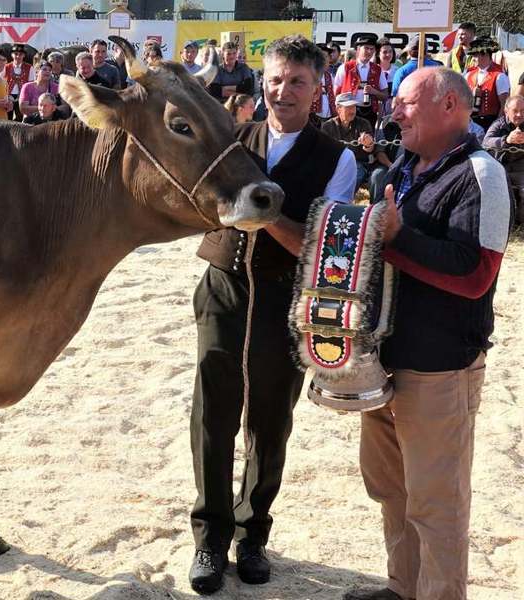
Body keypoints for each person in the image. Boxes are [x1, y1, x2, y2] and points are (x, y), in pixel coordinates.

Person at [189, 34, 357, 595]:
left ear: (317, 88)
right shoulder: (232, 138)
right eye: (278, 79)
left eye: (298, 82)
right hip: (224, 288)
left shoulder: (339, 156)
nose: (284, 90)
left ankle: (252, 533)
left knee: (270, 421)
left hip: (288, 300)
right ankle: (210, 538)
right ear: (264, 81)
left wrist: (263, 220)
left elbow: (323, 243)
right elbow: (196, 201)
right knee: (212, 415)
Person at [342, 67, 512, 600]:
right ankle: (402, 588)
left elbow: (474, 273)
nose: (395, 110)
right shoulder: (408, 168)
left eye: (408, 102)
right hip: (386, 361)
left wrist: (396, 238)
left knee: (437, 504)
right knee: (393, 491)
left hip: (440, 368)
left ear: (450, 107)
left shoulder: (482, 174)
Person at [482, 95, 524, 223]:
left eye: (523, 111)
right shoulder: (499, 125)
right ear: (506, 111)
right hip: (502, 169)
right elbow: (486, 141)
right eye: (515, 111)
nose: (519, 114)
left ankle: (520, 223)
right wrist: (506, 140)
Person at [321, 92, 376, 188]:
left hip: (358, 163)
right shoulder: (328, 126)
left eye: (354, 107)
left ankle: (342, 201)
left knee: (353, 175)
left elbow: (370, 150)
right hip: (335, 163)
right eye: (348, 107)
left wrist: (368, 143)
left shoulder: (363, 123)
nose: (352, 111)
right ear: (338, 109)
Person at [334, 34, 388, 126]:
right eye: (366, 48)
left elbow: (385, 95)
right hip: (348, 111)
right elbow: (336, 92)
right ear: (358, 50)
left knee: (367, 138)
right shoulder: (345, 68)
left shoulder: (378, 69)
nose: (369, 51)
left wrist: (374, 91)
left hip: (370, 112)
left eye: (372, 49)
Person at [464, 37, 510, 131]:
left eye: (475, 56)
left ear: (484, 55)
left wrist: (496, 127)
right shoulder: (468, 75)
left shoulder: (500, 77)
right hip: (470, 122)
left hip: (490, 122)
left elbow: (504, 105)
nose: (472, 59)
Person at [390, 34, 442, 98]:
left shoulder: (401, 71)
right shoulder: (438, 68)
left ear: (409, 51)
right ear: (426, 51)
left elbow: (396, 96)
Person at [4, 44, 33, 121]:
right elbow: (2, 83)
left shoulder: (29, 68)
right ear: (12, 55)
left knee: (20, 119)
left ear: (24, 55)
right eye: (16, 54)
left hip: (22, 96)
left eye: (20, 54)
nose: (18, 56)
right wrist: (6, 96)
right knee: (7, 118)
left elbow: (30, 84)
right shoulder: (6, 67)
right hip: (8, 97)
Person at [312, 43, 336, 124]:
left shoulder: (329, 76)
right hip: (312, 116)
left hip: (328, 117)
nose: (324, 60)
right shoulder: (308, 75)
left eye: (326, 57)